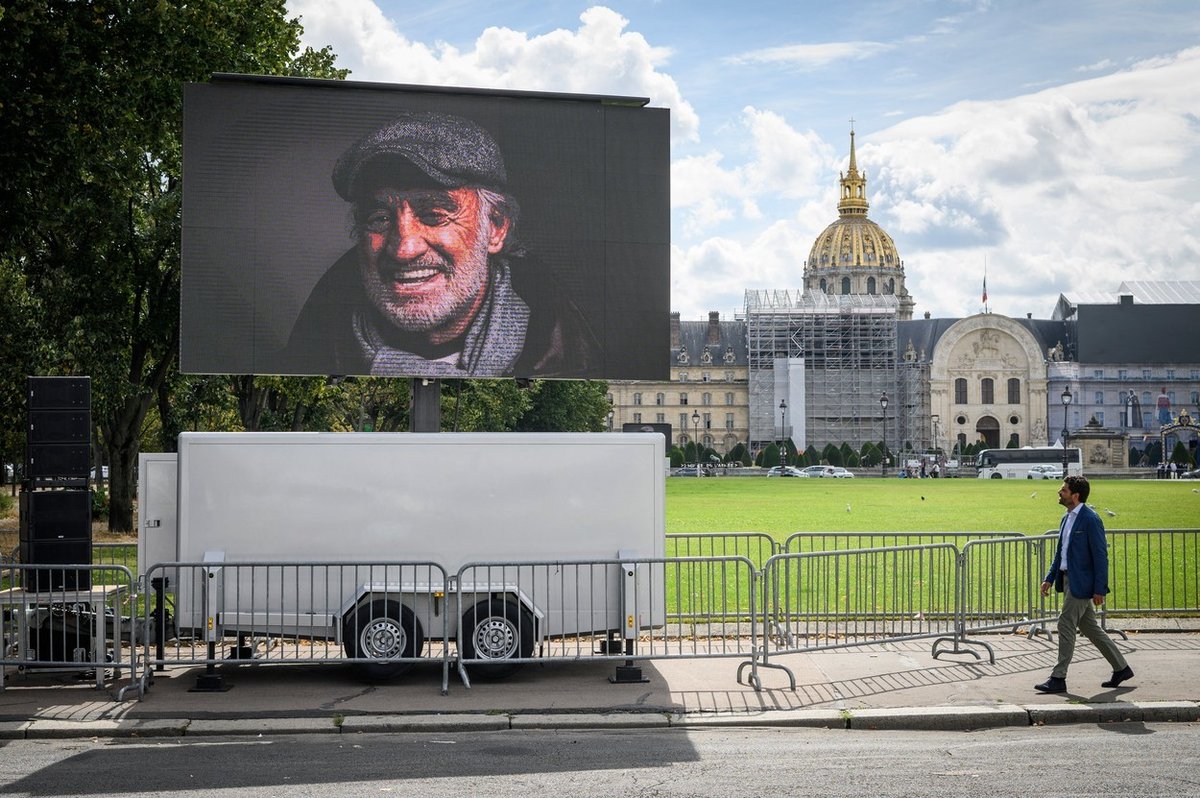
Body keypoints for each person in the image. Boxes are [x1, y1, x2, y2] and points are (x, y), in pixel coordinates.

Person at [278, 111, 600, 378]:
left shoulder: (567, 355)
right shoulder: (315, 344)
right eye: (379, 218)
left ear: (496, 228)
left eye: (433, 214)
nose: (403, 249)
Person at [1035, 476, 1134, 694]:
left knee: (1065, 623)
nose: (1059, 492)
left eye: (1063, 490)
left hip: (1082, 583)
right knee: (1090, 627)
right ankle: (1121, 668)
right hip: (1068, 579)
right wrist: (1049, 578)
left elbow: (1101, 556)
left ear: (1075, 495)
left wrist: (1099, 588)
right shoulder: (1066, 518)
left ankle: (1058, 677)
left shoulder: (1090, 519)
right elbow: (1061, 553)